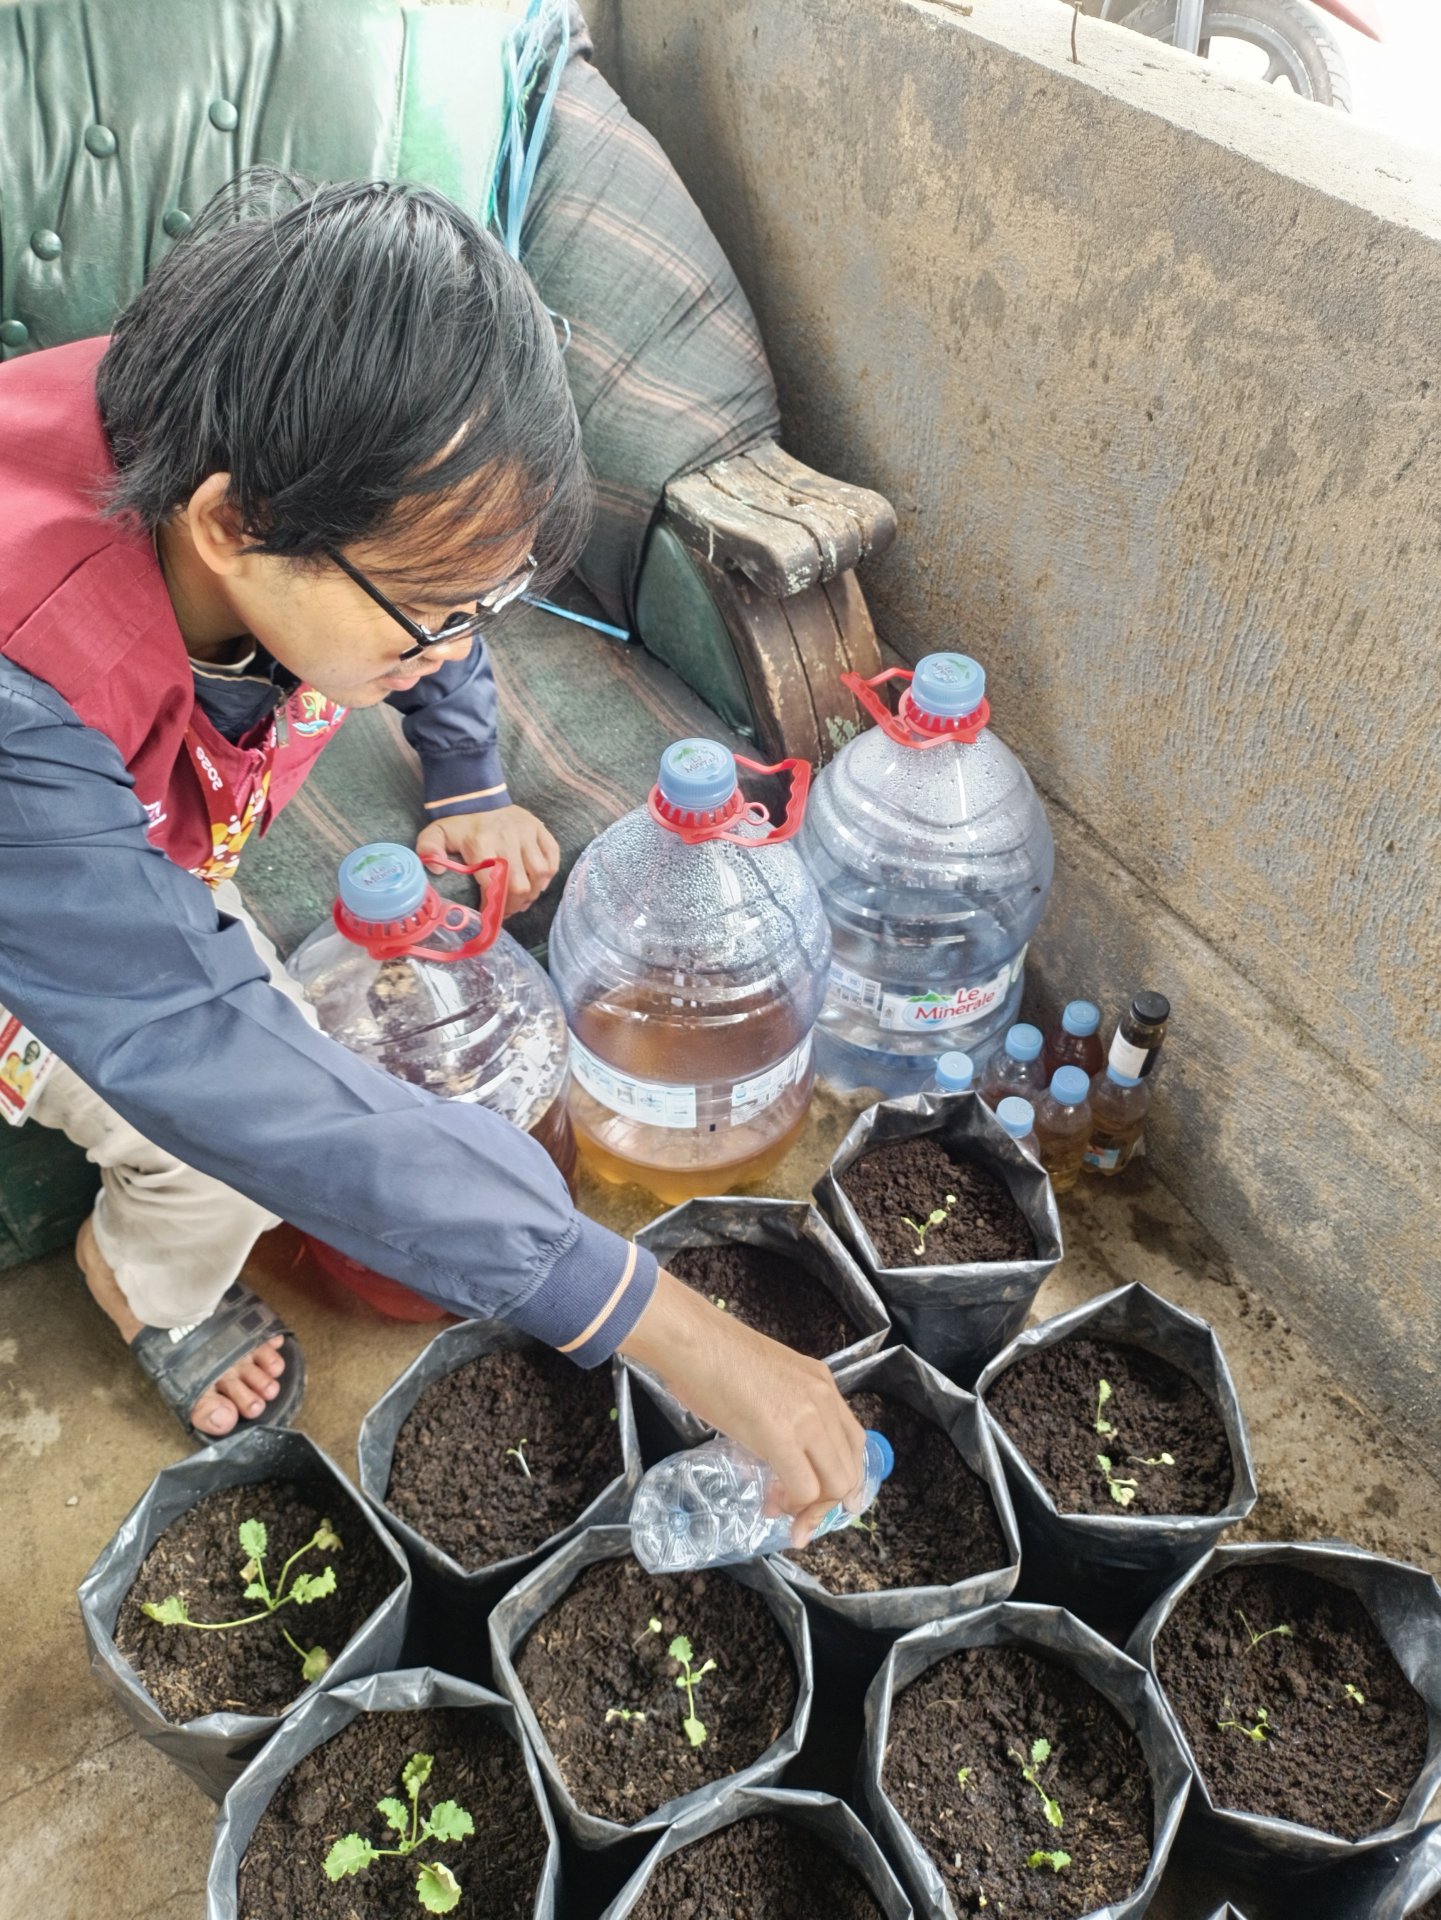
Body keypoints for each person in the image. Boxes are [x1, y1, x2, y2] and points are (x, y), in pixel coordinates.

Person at [0, 171, 864, 1538]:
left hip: (149, 824)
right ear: (232, 525)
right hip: (35, 927)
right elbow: (183, 1029)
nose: (452, 644)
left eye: (484, 601)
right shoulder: (27, 690)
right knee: (221, 1140)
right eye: (428, 620)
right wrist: (660, 1324)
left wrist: (463, 771)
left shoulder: (254, 430)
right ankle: (144, 1286)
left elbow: (438, 592)